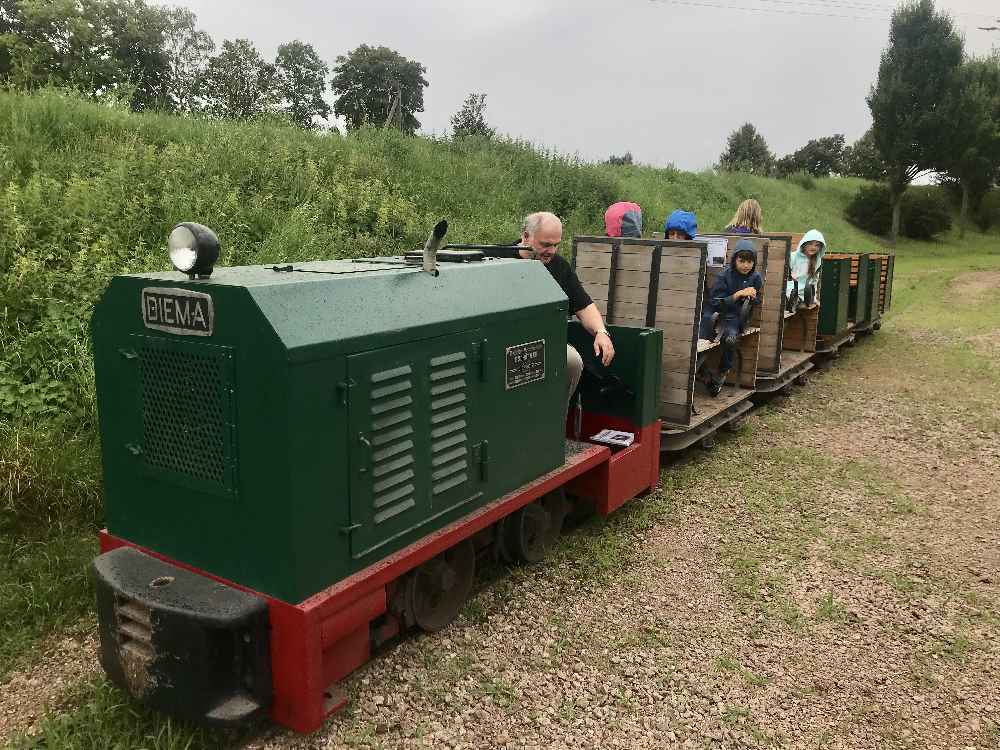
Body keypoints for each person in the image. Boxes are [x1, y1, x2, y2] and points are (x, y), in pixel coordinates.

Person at [492, 212, 615, 409]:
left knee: (572, 361)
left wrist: (601, 332)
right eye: (545, 244)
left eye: (556, 245)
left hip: (541, 344)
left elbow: (583, 305)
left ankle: (556, 421)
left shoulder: (559, 267)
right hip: (500, 344)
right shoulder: (495, 260)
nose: (551, 251)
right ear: (525, 236)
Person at [698, 239, 763, 396]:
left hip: (735, 316)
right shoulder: (725, 275)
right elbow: (715, 302)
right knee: (701, 340)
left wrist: (753, 297)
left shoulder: (755, 277)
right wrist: (738, 295)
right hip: (715, 313)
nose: (746, 265)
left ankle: (722, 372)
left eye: (750, 261)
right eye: (742, 261)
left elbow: (757, 300)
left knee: (730, 339)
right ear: (735, 259)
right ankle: (703, 371)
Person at [786, 229, 826, 310]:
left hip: (806, 291)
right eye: (810, 244)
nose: (813, 247)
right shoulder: (793, 257)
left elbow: (814, 281)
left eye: (817, 245)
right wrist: (790, 276)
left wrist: (814, 298)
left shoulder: (817, 261)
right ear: (804, 244)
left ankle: (797, 301)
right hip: (792, 286)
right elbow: (785, 274)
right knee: (789, 290)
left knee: (805, 293)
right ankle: (793, 301)